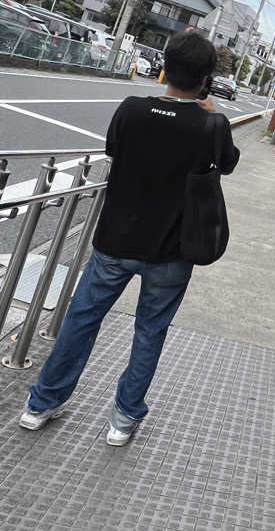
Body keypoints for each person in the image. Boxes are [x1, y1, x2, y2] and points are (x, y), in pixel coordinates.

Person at [19, 31, 239, 445]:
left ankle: (41, 403)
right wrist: (209, 114)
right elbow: (227, 165)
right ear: (206, 78)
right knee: (150, 331)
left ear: (164, 69)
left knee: (81, 320)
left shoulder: (131, 109)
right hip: (173, 251)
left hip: (115, 242)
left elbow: (115, 151)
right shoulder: (211, 123)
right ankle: (122, 420)